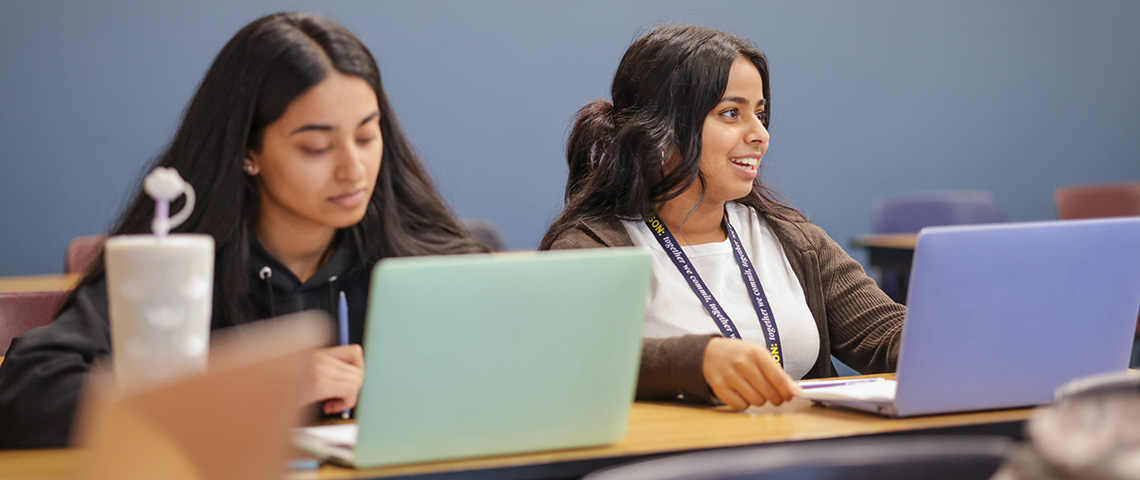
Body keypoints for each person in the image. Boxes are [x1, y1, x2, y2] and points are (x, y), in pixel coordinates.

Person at [0, 12, 485, 448]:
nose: (353, 169)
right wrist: (258, 390)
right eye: (317, 147)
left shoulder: (418, 256)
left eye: (366, 135)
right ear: (247, 152)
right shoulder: (176, 266)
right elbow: (29, 393)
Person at [540, 24, 905, 411]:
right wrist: (697, 361)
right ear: (660, 130)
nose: (760, 134)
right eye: (732, 113)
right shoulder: (591, 248)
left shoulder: (797, 241)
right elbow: (570, 359)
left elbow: (887, 334)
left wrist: (957, 330)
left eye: (760, 114)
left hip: (804, 458)